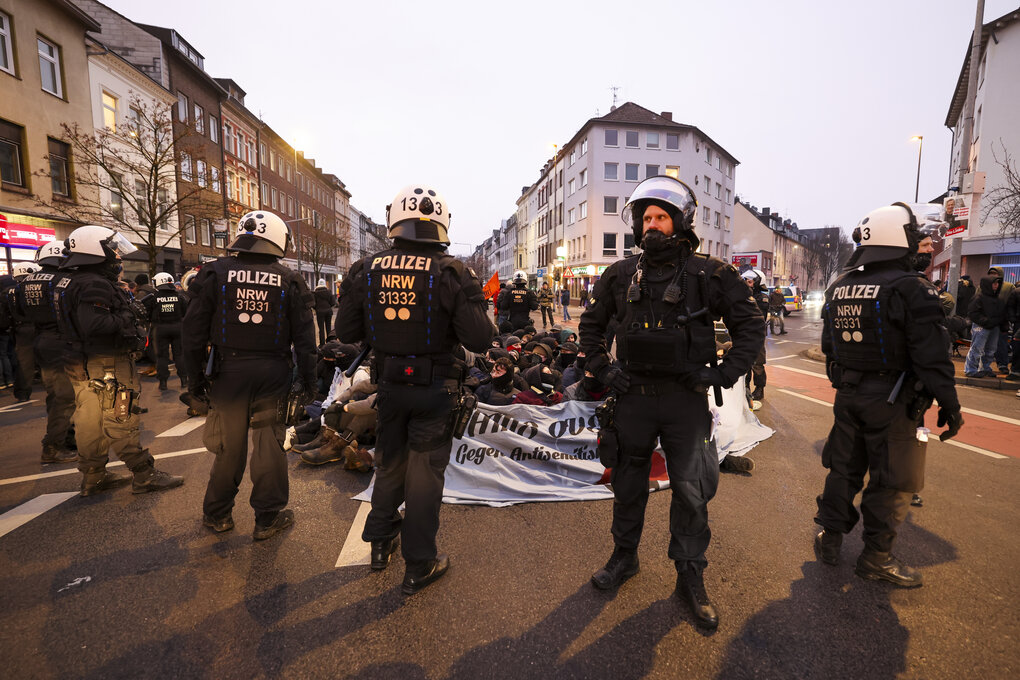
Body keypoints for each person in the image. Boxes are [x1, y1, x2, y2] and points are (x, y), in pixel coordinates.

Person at [579, 175, 764, 629]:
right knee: (627, 486)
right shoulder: (619, 274)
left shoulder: (711, 274)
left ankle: (689, 576)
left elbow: (750, 327)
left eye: (661, 217)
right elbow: (590, 327)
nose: (652, 225)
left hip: (686, 402)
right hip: (633, 400)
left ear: (679, 221)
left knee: (691, 490)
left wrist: (722, 373)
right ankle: (625, 558)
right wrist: (604, 369)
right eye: (646, 218)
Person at [336, 184, 493, 595]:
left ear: (394, 222)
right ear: (441, 222)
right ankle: (419, 564)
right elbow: (478, 339)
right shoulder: (453, 272)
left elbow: (346, 331)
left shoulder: (365, 270)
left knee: (390, 465)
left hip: (389, 386)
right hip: (434, 389)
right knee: (424, 476)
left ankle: (380, 542)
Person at [814, 203, 963, 587]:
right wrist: (949, 403)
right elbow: (931, 357)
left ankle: (829, 539)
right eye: (914, 238)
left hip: (848, 395)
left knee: (843, 471)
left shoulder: (840, 286)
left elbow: (829, 347)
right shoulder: (911, 289)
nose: (920, 246)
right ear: (898, 240)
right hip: (894, 401)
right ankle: (876, 558)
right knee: (893, 481)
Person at [183, 210, 316, 540]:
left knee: (229, 446)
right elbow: (305, 340)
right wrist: (310, 382)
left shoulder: (213, 273)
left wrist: (195, 380)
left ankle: (218, 515)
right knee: (270, 445)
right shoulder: (289, 279)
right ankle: (267, 518)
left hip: (227, 371)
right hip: (273, 372)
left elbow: (193, 333)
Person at [55, 225, 184, 497]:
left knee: (89, 420)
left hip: (81, 363)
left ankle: (93, 477)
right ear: (95, 250)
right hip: (108, 364)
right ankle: (143, 473)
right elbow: (96, 323)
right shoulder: (95, 284)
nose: (117, 255)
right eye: (112, 249)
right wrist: (129, 317)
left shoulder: (69, 280)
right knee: (120, 417)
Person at [12, 242, 78, 463]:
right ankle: (53, 447)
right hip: (62, 344)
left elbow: (19, 312)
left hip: (41, 342)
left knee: (55, 395)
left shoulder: (24, 283)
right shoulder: (64, 281)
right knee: (64, 398)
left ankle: (67, 437)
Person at [140, 273, 188, 392]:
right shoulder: (179, 297)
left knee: (162, 357)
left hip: (159, 329)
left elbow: (147, 314)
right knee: (179, 355)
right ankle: (184, 380)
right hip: (177, 328)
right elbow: (185, 312)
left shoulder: (153, 298)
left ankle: (163, 383)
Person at [964, 274, 1005, 378]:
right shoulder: (979, 297)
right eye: (994, 283)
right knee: (977, 348)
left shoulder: (998, 299)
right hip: (981, 326)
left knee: (991, 350)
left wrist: (1002, 324)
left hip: (994, 327)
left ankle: (985, 368)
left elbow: (1002, 313)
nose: (996, 285)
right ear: (988, 284)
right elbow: (973, 313)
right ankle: (971, 369)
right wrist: (986, 321)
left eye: (997, 283)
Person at [741, 268, 769, 403]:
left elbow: (757, 312)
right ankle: (744, 387)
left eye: (750, 281)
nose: (747, 283)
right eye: (745, 281)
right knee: (743, 362)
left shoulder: (762, 298)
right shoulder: (743, 296)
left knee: (757, 363)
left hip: (756, 334)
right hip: (742, 333)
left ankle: (759, 388)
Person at [313, 278, 337, 346]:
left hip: (320, 312)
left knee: (321, 329)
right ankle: (330, 343)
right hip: (328, 312)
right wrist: (328, 306)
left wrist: (317, 308)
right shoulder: (328, 291)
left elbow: (313, 303)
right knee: (328, 327)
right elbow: (333, 302)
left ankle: (322, 344)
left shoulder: (315, 293)